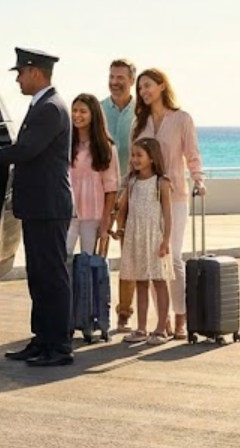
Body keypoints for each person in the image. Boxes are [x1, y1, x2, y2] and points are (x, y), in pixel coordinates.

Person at [0, 47, 74, 367]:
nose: (18, 80)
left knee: (52, 277)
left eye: (21, 73)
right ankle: (42, 340)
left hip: (48, 206)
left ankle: (59, 346)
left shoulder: (51, 108)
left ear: (36, 72)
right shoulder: (42, 105)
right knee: (39, 277)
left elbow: (25, 150)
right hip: (39, 205)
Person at [131, 68, 205, 339]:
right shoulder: (139, 122)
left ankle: (181, 317)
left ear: (162, 86)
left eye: (148, 86)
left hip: (175, 197)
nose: (143, 92)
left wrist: (198, 179)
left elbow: (192, 154)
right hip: (146, 197)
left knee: (172, 258)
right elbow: (134, 159)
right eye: (140, 88)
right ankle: (162, 322)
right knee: (154, 262)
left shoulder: (182, 119)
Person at [112, 138, 175, 345]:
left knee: (159, 281)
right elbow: (123, 208)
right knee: (140, 281)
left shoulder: (161, 182)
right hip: (135, 236)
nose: (135, 159)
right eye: (133, 155)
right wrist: (119, 229)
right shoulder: (132, 181)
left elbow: (167, 213)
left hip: (154, 237)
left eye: (140, 155)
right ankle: (141, 328)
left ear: (152, 157)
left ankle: (161, 329)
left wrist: (166, 240)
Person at [102, 59, 139, 330]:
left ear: (131, 80)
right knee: (96, 252)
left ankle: (124, 313)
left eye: (120, 78)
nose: (115, 82)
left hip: (132, 191)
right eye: (112, 77)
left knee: (129, 256)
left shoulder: (143, 110)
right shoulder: (99, 109)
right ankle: (94, 310)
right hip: (102, 191)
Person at [68, 94, 119, 258]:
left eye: (83, 111)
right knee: (63, 256)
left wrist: (106, 221)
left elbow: (111, 188)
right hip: (67, 212)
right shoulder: (66, 144)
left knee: (88, 260)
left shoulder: (106, 148)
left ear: (93, 114)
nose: (77, 115)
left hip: (93, 214)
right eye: (74, 110)